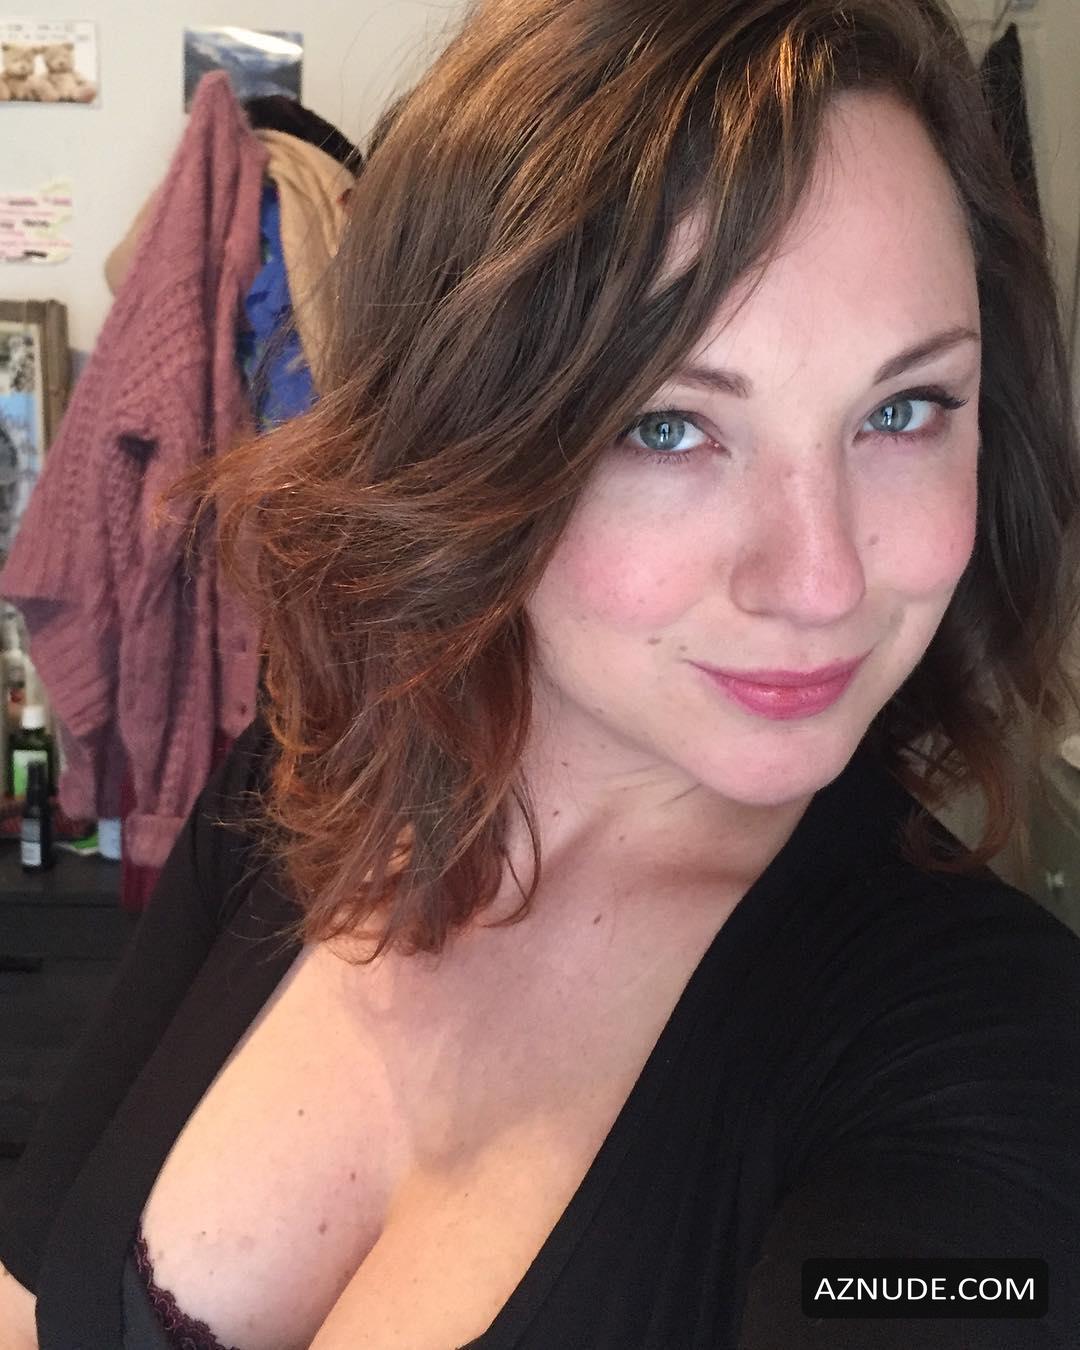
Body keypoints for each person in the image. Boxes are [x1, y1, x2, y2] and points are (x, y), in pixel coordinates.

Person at [3, 0, 1080, 1345]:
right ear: (462, 441)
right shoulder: (309, 776)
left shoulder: (989, 1045)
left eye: (904, 410)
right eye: (668, 426)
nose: (820, 582)